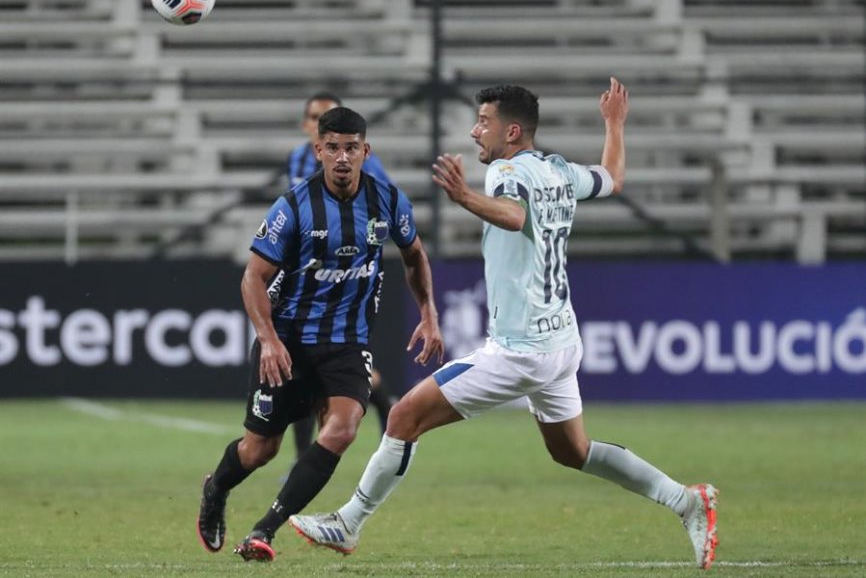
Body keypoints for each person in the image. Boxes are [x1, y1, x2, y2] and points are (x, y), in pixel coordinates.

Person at [288, 80, 720, 570]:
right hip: (561, 341)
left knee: (405, 416)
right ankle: (686, 501)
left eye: (484, 122)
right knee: (572, 450)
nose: (475, 132)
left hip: (521, 349)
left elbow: (514, 216)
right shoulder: (559, 171)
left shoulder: (507, 173)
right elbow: (612, 178)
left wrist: (464, 196)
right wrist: (614, 125)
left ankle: (348, 522)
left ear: (511, 131)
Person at [196, 106, 444, 563]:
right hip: (288, 341)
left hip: (347, 343)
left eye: (352, 148)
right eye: (333, 148)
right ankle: (215, 489)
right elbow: (253, 278)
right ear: (319, 151)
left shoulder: (388, 200)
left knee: (344, 428)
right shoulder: (293, 207)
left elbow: (414, 256)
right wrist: (268, 340)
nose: (343, 157)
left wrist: (428, 312)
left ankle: (263, 531)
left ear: (366, 151)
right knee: (259, 449)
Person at [284, 92, 396, 459]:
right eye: (317, 117)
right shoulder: (298, 160)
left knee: (327, 366)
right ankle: (304, 458)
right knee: (300, 367)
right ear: (308, 127)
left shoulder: (366, 164)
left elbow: (381, 205)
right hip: (307, 274)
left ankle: (388, 416)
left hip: (349, 276)